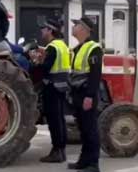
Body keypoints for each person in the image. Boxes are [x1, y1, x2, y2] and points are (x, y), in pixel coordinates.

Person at [34, 18, 70, 163]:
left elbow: (45, 69)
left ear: (50, 31)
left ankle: (57, 151)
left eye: (44, 28)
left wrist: (35, 64)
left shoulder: (52, 47)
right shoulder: (63, 45)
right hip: (61, 86)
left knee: (54, 121)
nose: (42, 31)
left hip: (52, 87)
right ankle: (61, 151)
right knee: (60, 119)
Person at [68, 17, 102, 172]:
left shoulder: (93, 48)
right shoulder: (77, 48)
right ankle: (83, 161)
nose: (73, 27)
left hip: (86, 94)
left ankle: (93, 164)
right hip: (77, 93)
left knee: (90, 130)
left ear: (83, 29)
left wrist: (89, 96)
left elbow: (95, 75)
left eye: (76, 25)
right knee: (83, 129)